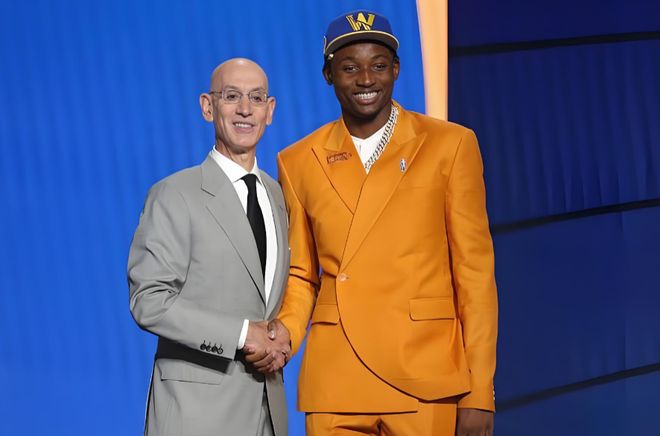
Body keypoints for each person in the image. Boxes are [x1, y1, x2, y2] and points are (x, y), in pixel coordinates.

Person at [271, 10, 498, 436]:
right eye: (349, 68)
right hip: (337, 376)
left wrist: (480, 391)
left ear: (396, 69)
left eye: (378, 66)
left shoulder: (450, 145)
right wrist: (283, 335)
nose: (365, 80)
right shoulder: (298, 160)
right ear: (328, 75)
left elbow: (475, 275)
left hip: (425, 372)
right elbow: (301, 274)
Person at [128, 58, 290, 436]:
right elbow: (149, 300)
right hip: (195, 415)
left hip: (267, 411)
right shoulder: (174, 194)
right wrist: (240, 334)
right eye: (231, 96)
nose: (245, 109)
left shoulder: (279, 196)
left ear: (270, 110)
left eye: (256, 98)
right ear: (207, 106)